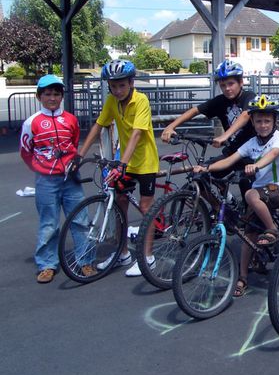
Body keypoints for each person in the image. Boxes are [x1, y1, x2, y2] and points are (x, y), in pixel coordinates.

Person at [193, 94, 279, 298]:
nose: (263, 125)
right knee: (248, 235)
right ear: (253, 123)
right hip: (260, 192)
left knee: (249, 195)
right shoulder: (251, 143)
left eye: (267, 121)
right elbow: (230, 160)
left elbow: (273, 155)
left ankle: (273, 230)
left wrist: (256, 165)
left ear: (274, 121)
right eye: (258, 121)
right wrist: (206, 168)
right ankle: (243, 277)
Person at [76, 59, 159, 277]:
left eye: (122, 85)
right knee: (119, 203)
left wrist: (121, 163)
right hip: (126, 162)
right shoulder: (112, 101)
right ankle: (121, 254)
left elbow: (137, 134)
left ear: (131, 82)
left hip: (145, 162)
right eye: (113, 86)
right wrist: (80, 154)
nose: (118, 90)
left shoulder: (141, 100)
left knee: (145, 208)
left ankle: (148, 257)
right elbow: (99, 125)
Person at [20, 75, 96, 283]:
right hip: (46, 181)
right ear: (39, 97)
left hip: (71, 179)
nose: (52, 98)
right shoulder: (31, 122)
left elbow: (73, 142)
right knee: (49, 224)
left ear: (62, 96)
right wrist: (41, 169)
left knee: (80, 221)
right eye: (47, 94)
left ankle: (85, 260)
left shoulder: (70, 119)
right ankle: (46, 265)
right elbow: (26, 151)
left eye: (56, 94)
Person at [161, 58, 256, 193]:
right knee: (200, 175)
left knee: (246, 188)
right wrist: (171, 126)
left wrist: (225, 136)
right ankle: (219, 208)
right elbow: (195, 110)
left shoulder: (248, 96)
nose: (227, 89)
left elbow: (246, 115)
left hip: (251, 154)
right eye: (223, 85)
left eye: (231, 84)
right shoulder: (220, 101)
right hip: (231, 152)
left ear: (241, 82)